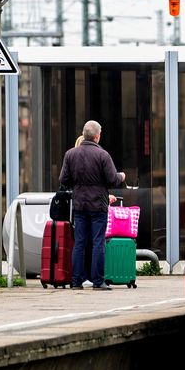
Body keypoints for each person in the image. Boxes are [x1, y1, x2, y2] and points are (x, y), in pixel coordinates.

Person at [60, 120, 126, 290]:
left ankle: (76, 281)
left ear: (84, 135)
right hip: (98, 205)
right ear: (97, 136)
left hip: (80, 205)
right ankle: (98, 281)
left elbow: (63, 180)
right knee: (98, 242)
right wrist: (122, 176)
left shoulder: (70, 154)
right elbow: (112, 179)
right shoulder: (103, 155)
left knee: (79, 242)